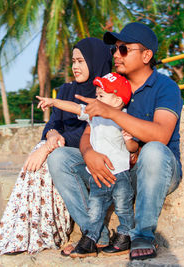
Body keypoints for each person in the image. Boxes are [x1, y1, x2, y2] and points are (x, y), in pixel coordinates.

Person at [48, 22, 183, 261]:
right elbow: (90, 128)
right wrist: (88, 152)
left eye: (124, 49)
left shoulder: (164, 87)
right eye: (115, 49)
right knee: (59, 158)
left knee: (153, 150)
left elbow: (161, 135)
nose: (116, 55)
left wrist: (113, 113)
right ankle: (95, 234)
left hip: (154, 171)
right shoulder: (110, 84)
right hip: (118, 170)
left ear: (146, 55)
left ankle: (141, 235)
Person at [0, 37, 112, 256]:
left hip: (89, 153)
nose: (75, 66)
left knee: (49, 156)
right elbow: (52, 123)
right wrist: (51, 137)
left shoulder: (105, 92)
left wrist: (49, 146)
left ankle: (53, 231)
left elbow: (92, 129)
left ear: (95, 60)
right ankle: (29, 230)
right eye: (73, 61)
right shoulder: (66, 90)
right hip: (61, 147)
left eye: (81, 61)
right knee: (43, 153)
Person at [37, 72, 137, 257]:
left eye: (101, 96)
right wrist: (54, 102)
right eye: (96, 95)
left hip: (120, 173)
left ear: (116, 101)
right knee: (95, 210)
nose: (96, 99)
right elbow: (75, 107)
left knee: (123, 207)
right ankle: (91, 240)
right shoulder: (94, 115)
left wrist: (129, 140)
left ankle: (125, 236)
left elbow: (132, 147)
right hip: (98, 174)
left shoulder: (123, 117)